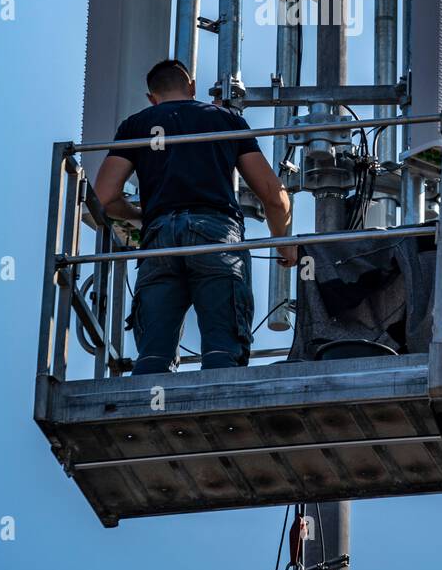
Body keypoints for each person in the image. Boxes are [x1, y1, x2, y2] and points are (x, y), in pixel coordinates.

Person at [94, 58, 295, 374]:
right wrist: (284, 243)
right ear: (191, 87)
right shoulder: (226, 120)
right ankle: (224, 411)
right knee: (222, 352)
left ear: (151, 97)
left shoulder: (135, 124)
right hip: (215, 233)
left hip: (160, 239)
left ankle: (152, 410)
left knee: (152, 359)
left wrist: (140, 216)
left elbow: (104, 198)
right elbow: (273, 194)